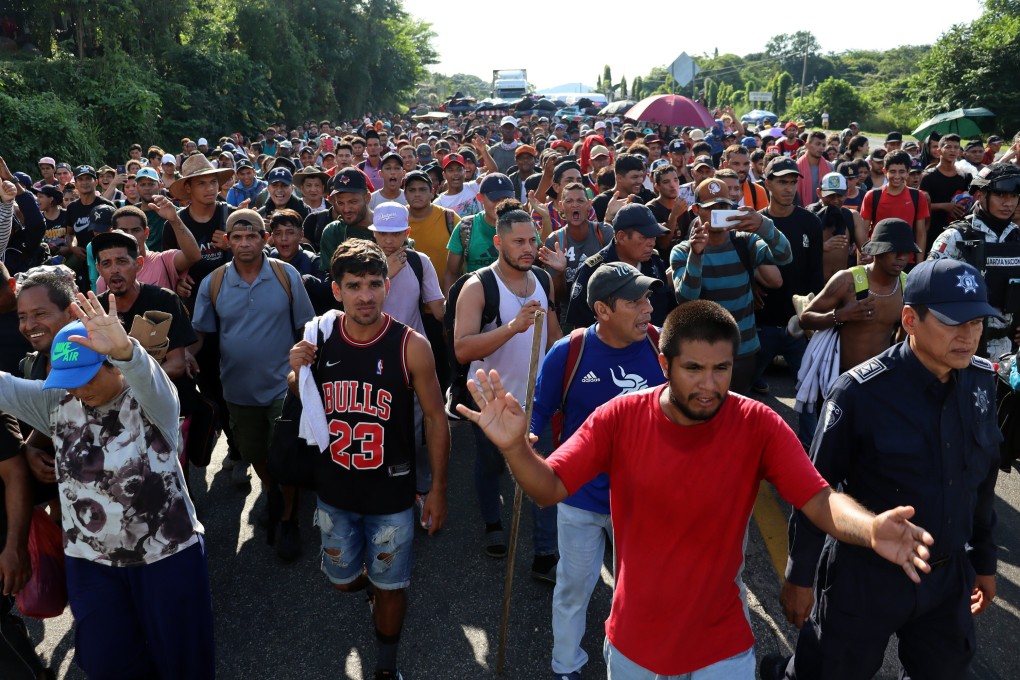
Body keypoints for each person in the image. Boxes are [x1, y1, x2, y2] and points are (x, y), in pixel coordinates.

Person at [460, 299, 935, 679]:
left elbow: (818, 498)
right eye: (694, 370)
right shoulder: (618, 417)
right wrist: (516, 449)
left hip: (721, 649)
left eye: (722, 369)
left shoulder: (758, 424)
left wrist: (871, 528)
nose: (709, 386)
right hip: (634, 647)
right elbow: (550, 488)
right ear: (664, 362)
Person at [766, 258, 1001, 680]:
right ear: (910, 319)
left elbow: (981, 483)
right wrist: (799, 577)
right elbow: (815, 490)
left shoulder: (981, 381)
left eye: (978, 322)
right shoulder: (860, 391)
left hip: (945, 577)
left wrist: (983, 563)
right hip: (865, 576)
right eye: (953, 323)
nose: (969, 337)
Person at [0, 293, 214, 678]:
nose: (79, 390)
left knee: (184, 664)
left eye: (87, 378)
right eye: (69, 381)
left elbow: (148, 377)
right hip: (91, 563)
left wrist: (127, 351)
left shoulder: (152, 402)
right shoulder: (56, 403)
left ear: (113, 366)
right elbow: (4, 387)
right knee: (107, 664)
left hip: (166, 559)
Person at [288, 239, 449, 680]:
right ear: (336, 290)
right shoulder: (318, 336)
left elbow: (436, 418)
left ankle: (384, 666)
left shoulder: (410, 345)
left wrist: (436, 489)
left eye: (374, 284)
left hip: (392, 493)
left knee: (392, 585)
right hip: (334, 488)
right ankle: (368, 588)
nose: (365, 295)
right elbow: (302, 399)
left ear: (387, 285)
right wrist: (296, 371)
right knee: (341, 579)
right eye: (354, 285)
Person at [530, 263, 666, 680]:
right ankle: (565, 665)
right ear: (603, 311)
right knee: (573, 588)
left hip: (644, 501)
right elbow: (540, 410)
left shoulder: (662, 345)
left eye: (647, 298)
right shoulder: (568, 352)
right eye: (634, 301)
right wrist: (527, 444)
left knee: (640, 593)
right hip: (581, 496)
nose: (647, 309)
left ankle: (630, 662)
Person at [192, 209, 315, 554]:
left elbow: (306, 328)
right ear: (227, 241)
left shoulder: (285, 274)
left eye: (252, 236)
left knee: (286, 454)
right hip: (237, 389)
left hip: (283, 385)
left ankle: (289, 519)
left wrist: (305, 375)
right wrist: (185, 353)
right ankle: (272, 492)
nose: (245, 243)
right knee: (256, 452)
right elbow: (201, 334)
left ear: (265, 239)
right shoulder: (213, 282)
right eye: (238, 237)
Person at [453, 201, 562, 574]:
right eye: (518, 242)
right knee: (490, 467)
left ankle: (545, 554)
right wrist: (513, 327)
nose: (528, 248)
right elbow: (463, 347)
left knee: (543, 470)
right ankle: (493, 524)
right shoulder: (478, 286)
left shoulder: (544, 279)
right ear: (498, 242)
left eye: (533, 240)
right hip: (492, 402)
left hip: (537, 400)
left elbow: (554, 336)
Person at [670, 173, 791, 395]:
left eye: (724, 207)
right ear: (696, 210)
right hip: (704, 352)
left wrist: (764, 225)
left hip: (744, 351)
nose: (718, 214)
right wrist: (696, 255)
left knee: (738, 416)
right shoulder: (683, 251)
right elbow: (686, 298)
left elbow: (784, 256)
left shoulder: (745, 241)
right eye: (710, 208)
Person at [928, 162, 1020, 360]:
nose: (1008, 203)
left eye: (1013, 196)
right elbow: (926, 289)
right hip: (960, 348)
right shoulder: (956, 236)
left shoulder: (1017, 237)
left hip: (1008, 352)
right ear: (980, 195)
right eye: (1000, 195)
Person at [799, 218, 916, 373]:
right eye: (894, 250)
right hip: (842, 377)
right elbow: (804, 319)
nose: (902, 257)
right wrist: (840, 315)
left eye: (906, 251)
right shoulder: (846, 280)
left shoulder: (907, 286)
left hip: (880, 378)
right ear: (877, 251)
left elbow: (904, 340)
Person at [566, 204, 675, 330]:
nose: (652, 243)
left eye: (653, 236)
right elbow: (581, 327)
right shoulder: (592, 270)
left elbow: (668, 309)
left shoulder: (654, 262)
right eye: (644, 237)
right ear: (621, 237)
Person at [861, 150, 930, 263]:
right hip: (878, 260)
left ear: (908, 172)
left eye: (901, 171)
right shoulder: (872, 196)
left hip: (907, 260)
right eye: (893, 171)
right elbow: (863, 232)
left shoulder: (918, 196)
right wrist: (863, 258)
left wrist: (919, 264)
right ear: (885, 171)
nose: (897, 176)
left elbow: (920, 233)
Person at [920, 134, 972, 254]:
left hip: (957, 232)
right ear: (939, 151)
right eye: (948, 147)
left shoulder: (965, 177)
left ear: (960, 152)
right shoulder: (928, 177)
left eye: (956, 147)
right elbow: (921, 206)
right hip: (933, 231)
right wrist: (945, 206)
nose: (952, 150)